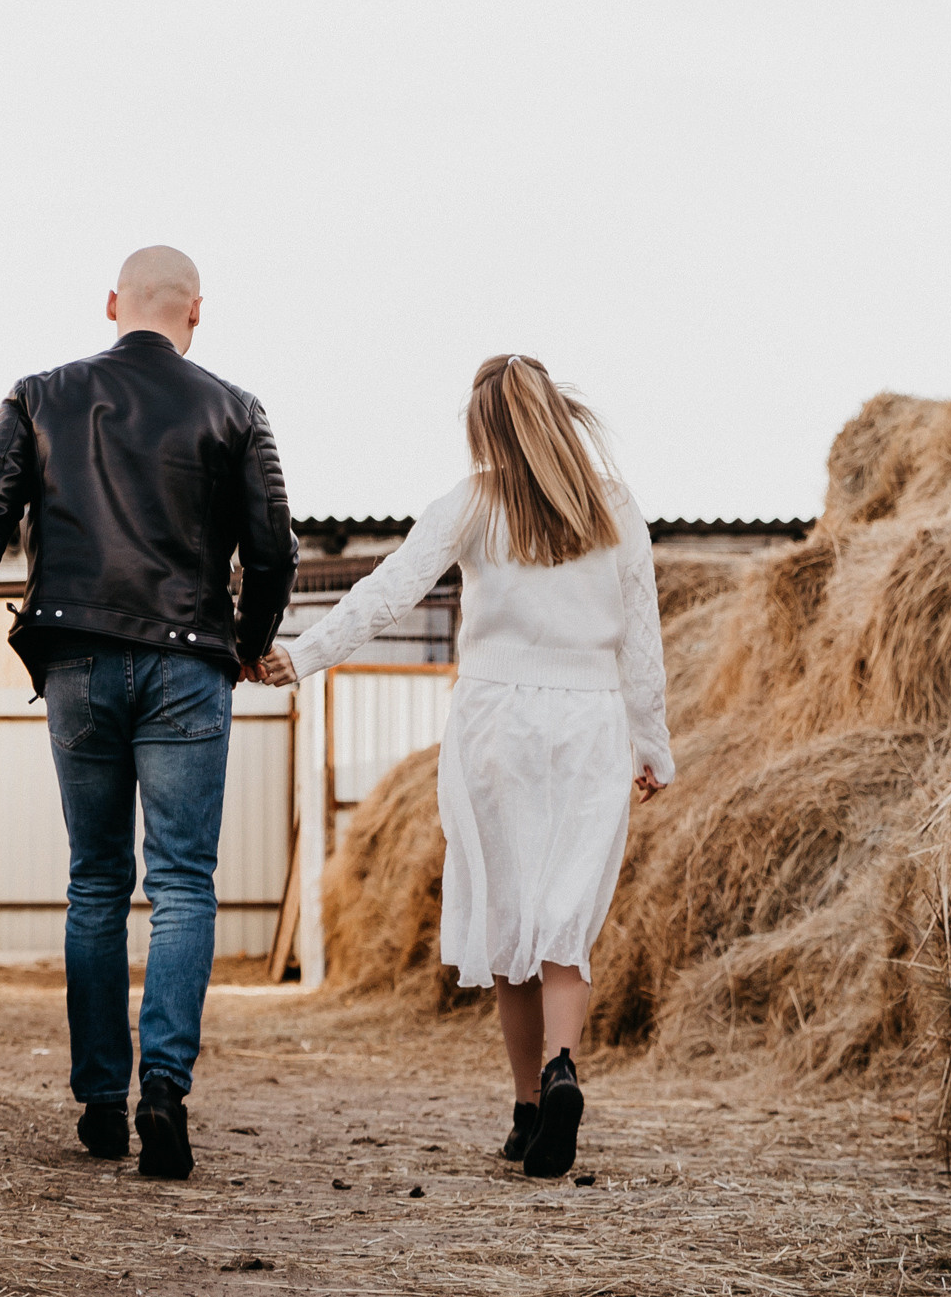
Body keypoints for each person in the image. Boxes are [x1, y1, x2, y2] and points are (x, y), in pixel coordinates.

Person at [0, 244, 298, 1179]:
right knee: (182, 885)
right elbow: (276, 548)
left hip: (77, 656)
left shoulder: (37, 394)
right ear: (196, 313)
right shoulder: (235, 409)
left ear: (110, 304)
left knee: (95, 882)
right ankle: (163, 1090)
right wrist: (248, 642)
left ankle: (99, 1101)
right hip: (188, 665)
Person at [261, 353, 673, 1179]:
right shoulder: (614, 505)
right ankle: (562, 1068)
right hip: (590, 720)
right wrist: (651, 743)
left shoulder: (471, 502)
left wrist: (302, 656)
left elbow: (388, 591)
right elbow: (641, 632)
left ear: (484, 429)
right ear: (557, 414)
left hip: (496, 723)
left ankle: (527, 1110)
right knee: (563, 922)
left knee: (506, 915)